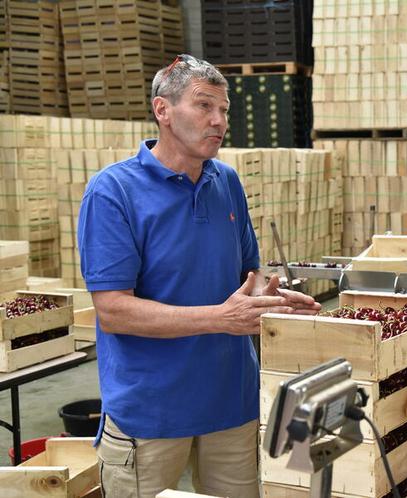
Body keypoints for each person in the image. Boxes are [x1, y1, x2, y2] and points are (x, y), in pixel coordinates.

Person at [77, 54, 321, 498]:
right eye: (204, 106)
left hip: (231, 403)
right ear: (163, 111)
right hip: (150, 412)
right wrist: (220, 318)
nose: (218, 121)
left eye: (224, 110)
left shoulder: (225, 181)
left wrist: (275, 297)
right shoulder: (113, 192)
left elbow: (249, 272)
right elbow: (113, 310)